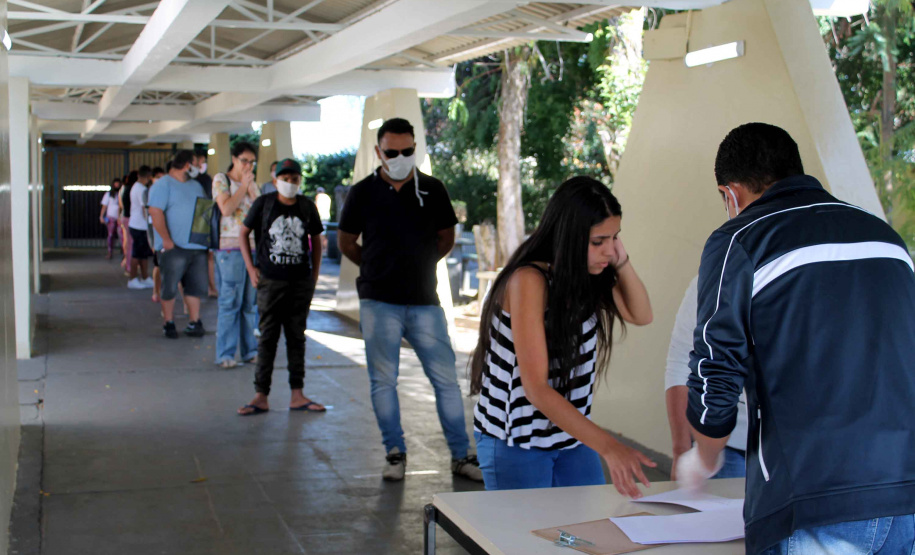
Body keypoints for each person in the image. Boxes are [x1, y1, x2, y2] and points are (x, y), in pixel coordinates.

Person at [678, 123, 915, 555]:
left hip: (812, 503)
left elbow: (716, 371)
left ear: (730, 194)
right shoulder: (887, 240)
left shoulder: (739, 240)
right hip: (904, 493)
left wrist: (704, 458)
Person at [469, 177, 655, 493]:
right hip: (518, 441)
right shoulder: (529, 280)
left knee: (584, 533)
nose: (608, 250)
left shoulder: (589, 274)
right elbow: (536, 388)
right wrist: (610, 446)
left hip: (569, 436)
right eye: (598, 241)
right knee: (523, 541)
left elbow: (641, 314)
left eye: (615, 238)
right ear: (568, 237)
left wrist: (620, 259)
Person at [337, 117, 482, 482]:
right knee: (383, 381)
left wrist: (420, 263)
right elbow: (346, 242)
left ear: (414, 148)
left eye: (407, 151)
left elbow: (446, 237)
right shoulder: (362, 193)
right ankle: (395, 453)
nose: (400, 157)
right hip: (378, 301)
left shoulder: (433, 189)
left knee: (446, 381)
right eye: (392, 152)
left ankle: (461, 455)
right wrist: (374, 267)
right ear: (378, 152)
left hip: (424, 302)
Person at [237, 158, 324, 415]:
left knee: (296, 337)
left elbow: (316, 240)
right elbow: (243, 233)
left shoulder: (307, 207)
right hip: (270, 283)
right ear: (275, 180)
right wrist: (250, 268)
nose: (289, 183)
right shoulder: (264, 204)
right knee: (268, 338)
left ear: (299, 181)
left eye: (294, 179)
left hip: (299, 283)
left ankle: (297, 395)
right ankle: (260, 395)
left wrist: (314, 274)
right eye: (285, 179)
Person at [665, 276, 746, 480]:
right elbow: (682, 361)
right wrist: (681, 450)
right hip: (723, 442)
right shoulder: (712, 280)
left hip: (790, 444)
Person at [148, 150, 208, 339]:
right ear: (187, 165)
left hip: (196, 246)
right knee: (170, 286)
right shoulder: (163, 185)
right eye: (197, 164)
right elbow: (155, 212)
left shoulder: (196, 185)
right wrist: (166, 240)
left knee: (194, 287)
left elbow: (203, 212)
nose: (200, 168)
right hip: (174, 247)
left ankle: (194, 321)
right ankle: (169, 322)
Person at [212, 142, 260, 368]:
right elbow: (227, 209)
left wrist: (251, 188)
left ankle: (250, 351)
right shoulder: (221, 180)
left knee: (249, 304)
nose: (248, 166)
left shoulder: (252, 182)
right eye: (244, 161)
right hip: (230, 249)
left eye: (252, 162)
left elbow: (260, 211)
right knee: (230, 302)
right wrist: (242, 186)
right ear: (234, 159)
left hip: (252, 248)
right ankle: (226, 354)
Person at [190, 151, 218, 297]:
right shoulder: (204, 179)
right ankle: (210, 288)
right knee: (206, 257)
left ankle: (210, 288)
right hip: (203, 219)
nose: (201, 164)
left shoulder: (204, 179)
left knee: (206, 257)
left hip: (203, 219)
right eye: (199, 162)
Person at [127, 166, 154, 290]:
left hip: (136, 224)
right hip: (140, 226)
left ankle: (144, 277)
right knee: (137, 254)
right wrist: (151, 223)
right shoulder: (142, 189)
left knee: (142, 254)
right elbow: (145, 209)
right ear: (148, 177)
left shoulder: (135, 187)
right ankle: (132, 279)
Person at [148, 167, 166, 302]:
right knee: (158, 267)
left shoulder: (166, 192)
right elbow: (149, 222)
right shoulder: (151, 193)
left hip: (167, 238)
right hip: (158, 239)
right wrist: (152, 241)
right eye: (158, 177)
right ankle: (156, 291)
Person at [100, 178, 123, 260]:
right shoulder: (108, 194)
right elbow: (104, 206)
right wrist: (101, 216)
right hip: (111, 217)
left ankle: (124, 251)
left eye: (118, 184)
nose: (117, 185)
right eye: (115, 184)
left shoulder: (121, 193)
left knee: (122, 235)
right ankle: (110, 252)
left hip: (120, 218)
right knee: (110, 235)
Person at [118, 171, 136, 275]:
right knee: (130, 244)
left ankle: (127, 262)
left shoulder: (123, 189)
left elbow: (121, 205)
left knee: (127, 242)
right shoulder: (131, 189)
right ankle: (129, 267)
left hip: (125, 217)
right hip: (129, 218)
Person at [315, 186, 332, 253]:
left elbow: (316, 207)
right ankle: (325, 249)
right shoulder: (327, 197)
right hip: (327, 217)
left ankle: (322, 249)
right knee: (325, 233)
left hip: (320, 217)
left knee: (320, 233)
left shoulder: (318, 197)